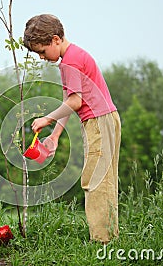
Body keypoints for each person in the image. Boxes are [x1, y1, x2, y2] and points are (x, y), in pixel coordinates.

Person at [23, 14, 121, 244]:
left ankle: (103, 242)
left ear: (55, 39)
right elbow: (70, 99)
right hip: (103, 120)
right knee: (104, 179)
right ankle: (109, 238)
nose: (42, 57)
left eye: (42, 51)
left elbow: (75, 102)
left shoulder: (70, 62)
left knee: (95, 181)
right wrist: (55, 135)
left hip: (98, 122)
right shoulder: (72, 56)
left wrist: (46, 119)